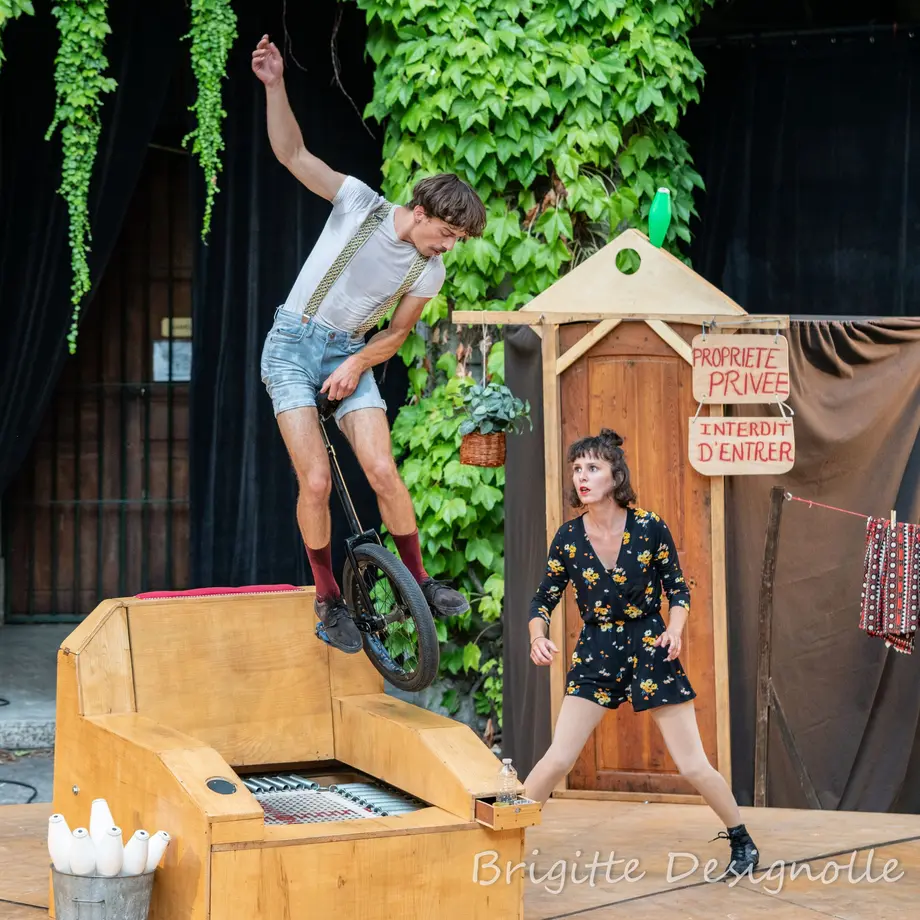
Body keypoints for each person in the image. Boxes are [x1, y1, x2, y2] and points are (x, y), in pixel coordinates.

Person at [251, 35, 485, 653]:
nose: (449, 246)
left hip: (352, 352)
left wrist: (356, 362)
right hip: (292, 346)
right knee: (316, 482)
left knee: (382, 470)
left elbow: (397, 334)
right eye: (447, 232)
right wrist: (275, 84)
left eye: (458, 240)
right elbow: (292, 153)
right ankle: (329, 599)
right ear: (422, 210)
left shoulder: (429, 271)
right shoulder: (360, 204)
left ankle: (420, 581)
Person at [523, 428, 760, 878]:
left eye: (592, 467)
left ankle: (742, 842)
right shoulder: (568, 537)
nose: (581, 477)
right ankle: (503, 841)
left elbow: (678, 590)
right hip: (596, 650)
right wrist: (538, 636)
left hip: (651, 647)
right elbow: (542, 600)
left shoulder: (650, 527)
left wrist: (674, 630)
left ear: (616, 475)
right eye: (577, 469)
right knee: (558, 759)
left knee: (692, 764)